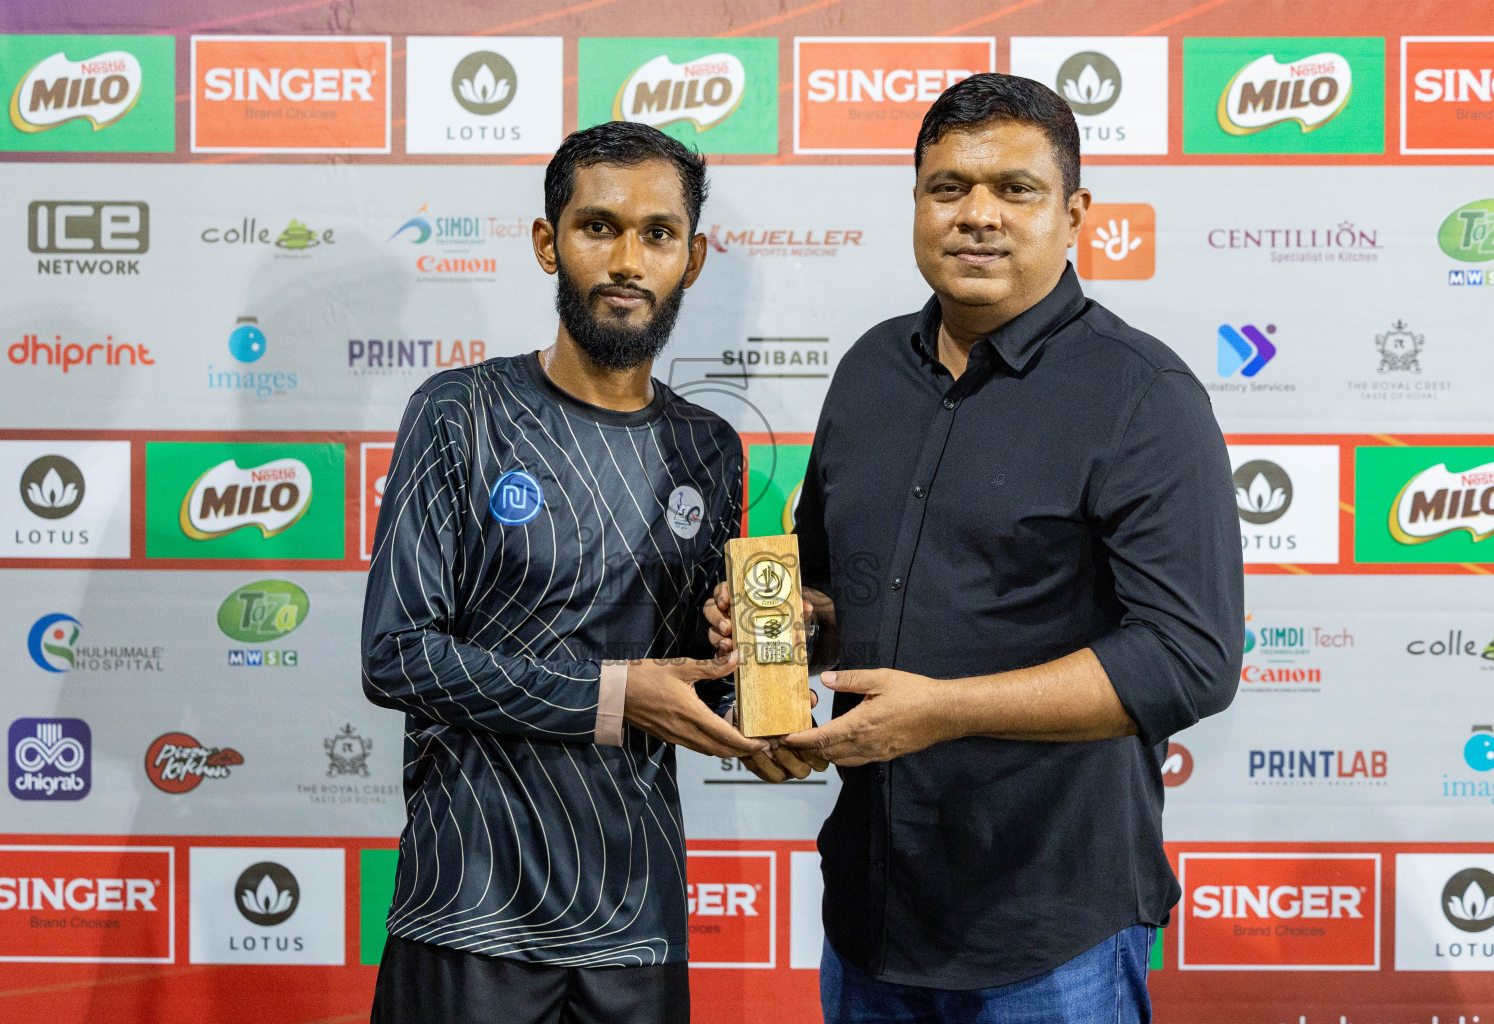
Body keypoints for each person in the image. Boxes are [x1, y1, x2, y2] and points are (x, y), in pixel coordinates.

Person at [706, 74, 1243, 1022]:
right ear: (916, 204)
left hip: (1049, 929)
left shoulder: (1143, 396)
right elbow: (836, 592)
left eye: (1016, 190)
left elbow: (1190, 661)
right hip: (873, 913)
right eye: (948, 187)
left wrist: (945, 712)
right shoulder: (870, 369)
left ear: (1075, 212)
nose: (977, 216)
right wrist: (793, 628)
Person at [362, 120, 787, 1024]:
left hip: (635, 921)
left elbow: (689, 691)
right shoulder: (460, 412)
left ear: (694, 257)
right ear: (548, 243)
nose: (628, 259)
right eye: (599, 227)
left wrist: (746, 675)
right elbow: (396, 655)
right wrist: (614, 694)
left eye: (658, 234)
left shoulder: (709, 449)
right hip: (468, 914)